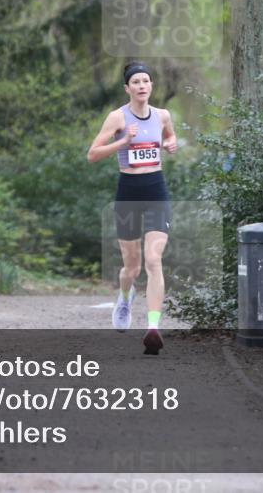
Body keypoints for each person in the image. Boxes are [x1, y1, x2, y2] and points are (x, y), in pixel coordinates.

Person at [87, 61, 178, 355]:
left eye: (146, 81)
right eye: (136, 81)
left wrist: (172, 143)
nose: (141, 85)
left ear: (151, 86)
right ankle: (125, 296)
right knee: (132, 267)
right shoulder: (117, 117)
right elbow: (92, 155)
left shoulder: (162, 115)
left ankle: (153, 328)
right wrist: (123, 141)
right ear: (127, 88)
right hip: (128, 193)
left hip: (156, 191)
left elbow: (169, 135)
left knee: (153, 261)